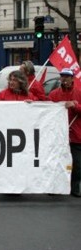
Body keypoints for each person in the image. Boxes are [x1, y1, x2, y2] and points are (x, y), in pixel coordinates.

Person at [48, 68, 81, 197]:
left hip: (75, 134)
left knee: (77, 163)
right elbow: (45, 107)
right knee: (56, 161)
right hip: (58, 134)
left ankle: (75, 186)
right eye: (63, 76)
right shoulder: (54, 94)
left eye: (67, 76)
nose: (65, 79)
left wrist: (75, 106)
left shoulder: (78, 92)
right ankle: (56, 187)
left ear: (72, 78)